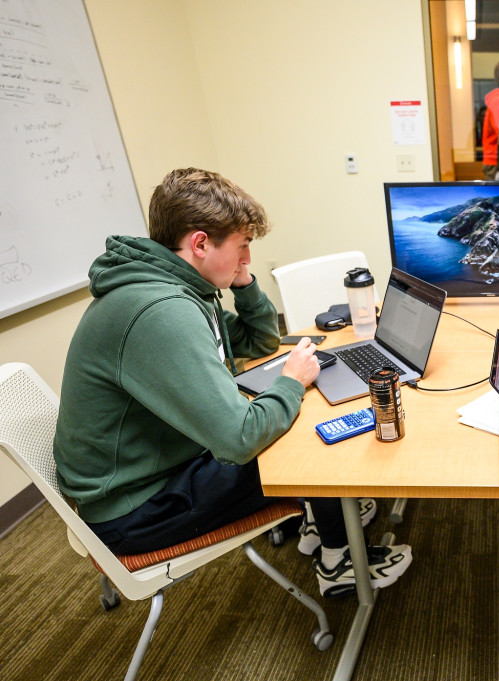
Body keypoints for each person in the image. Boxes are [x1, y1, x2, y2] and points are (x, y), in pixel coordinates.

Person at [53, 168, 412, 598]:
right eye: (242, 248)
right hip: (138, 509)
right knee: (309, 442)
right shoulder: (160, 311)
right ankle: (339, 561)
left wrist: (241, 281)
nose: (248, 259)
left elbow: (257, 341)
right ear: (200, 243)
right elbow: (240, 438)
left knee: (291, 414)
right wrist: (290, 382)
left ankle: (325, 517)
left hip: (154, 468)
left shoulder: (173, 287)